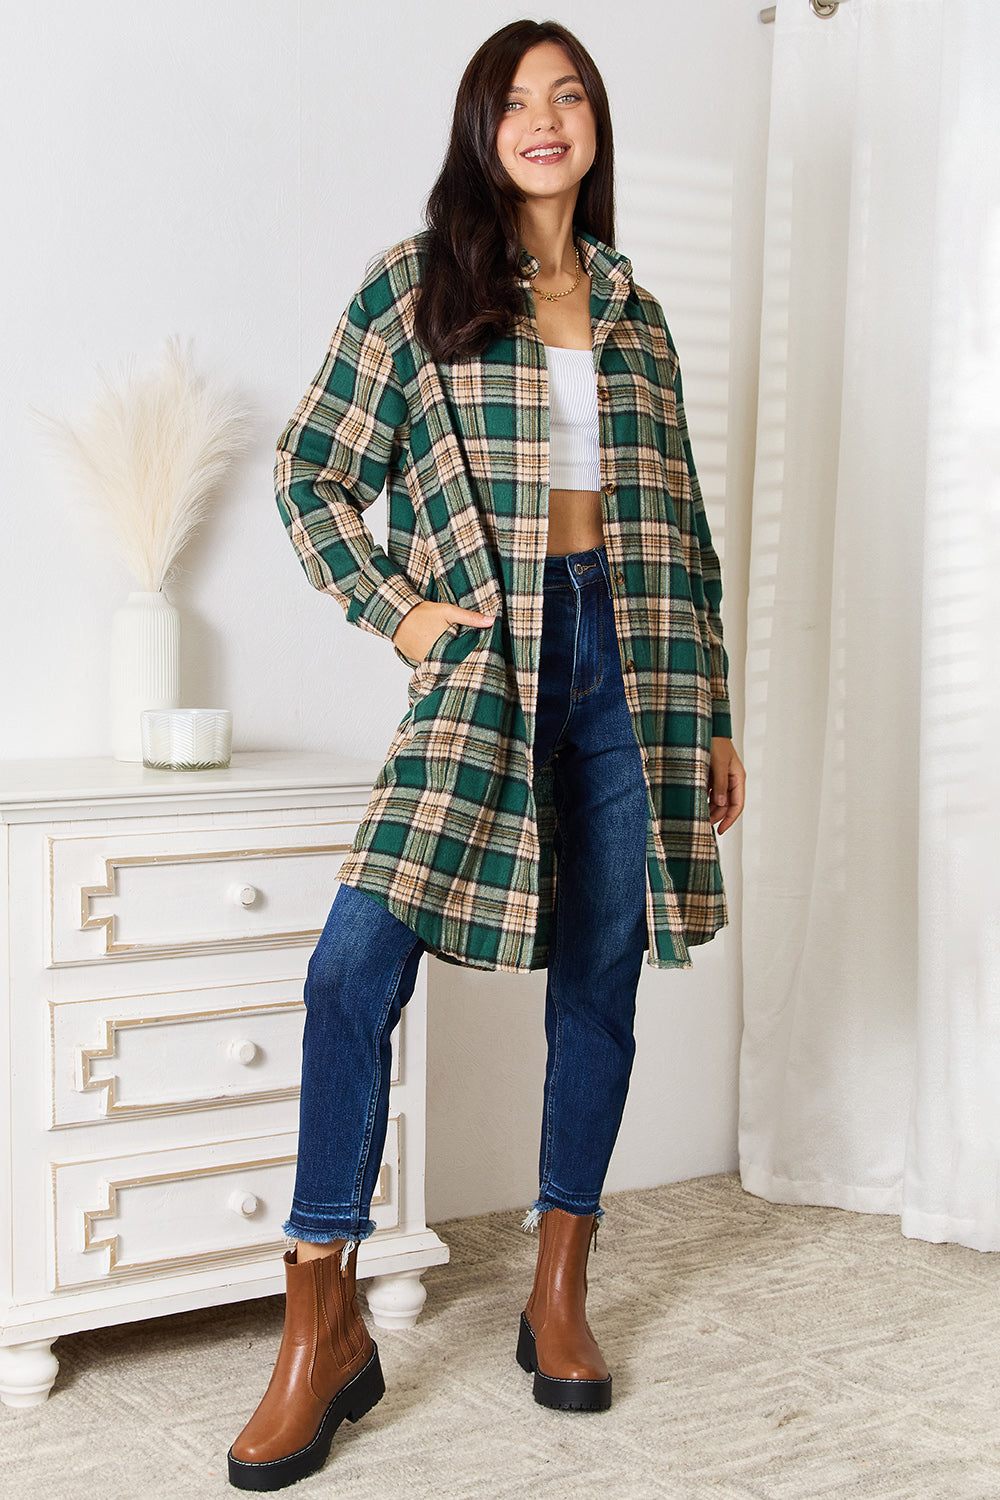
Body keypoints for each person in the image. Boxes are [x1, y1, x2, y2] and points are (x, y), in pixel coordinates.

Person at [228, 16, 746, 1491]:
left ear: (594, 128)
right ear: (481, 127)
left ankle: (559, 1286)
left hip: (635, 666)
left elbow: (687, 538)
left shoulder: (637, 312)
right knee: (351, 963)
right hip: (488, 655)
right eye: (516, 100)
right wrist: (402, 617)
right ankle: (320, 1316)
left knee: (600, 977)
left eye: (568, 95)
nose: (545, 118)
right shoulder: (421, 285)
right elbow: (311, 469)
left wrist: (710, 712)